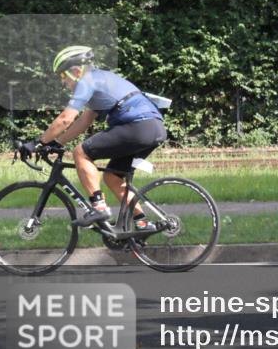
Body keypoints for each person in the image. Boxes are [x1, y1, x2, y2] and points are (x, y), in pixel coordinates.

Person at [21, 46, 168, 231]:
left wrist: (37, 142)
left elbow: (66, 118)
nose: (63, 82)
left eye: (63, 76)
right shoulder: (102, 79)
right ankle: (142, 222)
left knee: (81, 152)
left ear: (76, 71)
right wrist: (56, 143)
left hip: (137, 127)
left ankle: (98, 208)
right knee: (113, 177)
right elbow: (84, 121)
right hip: (153, 128)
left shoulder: (87, 81)